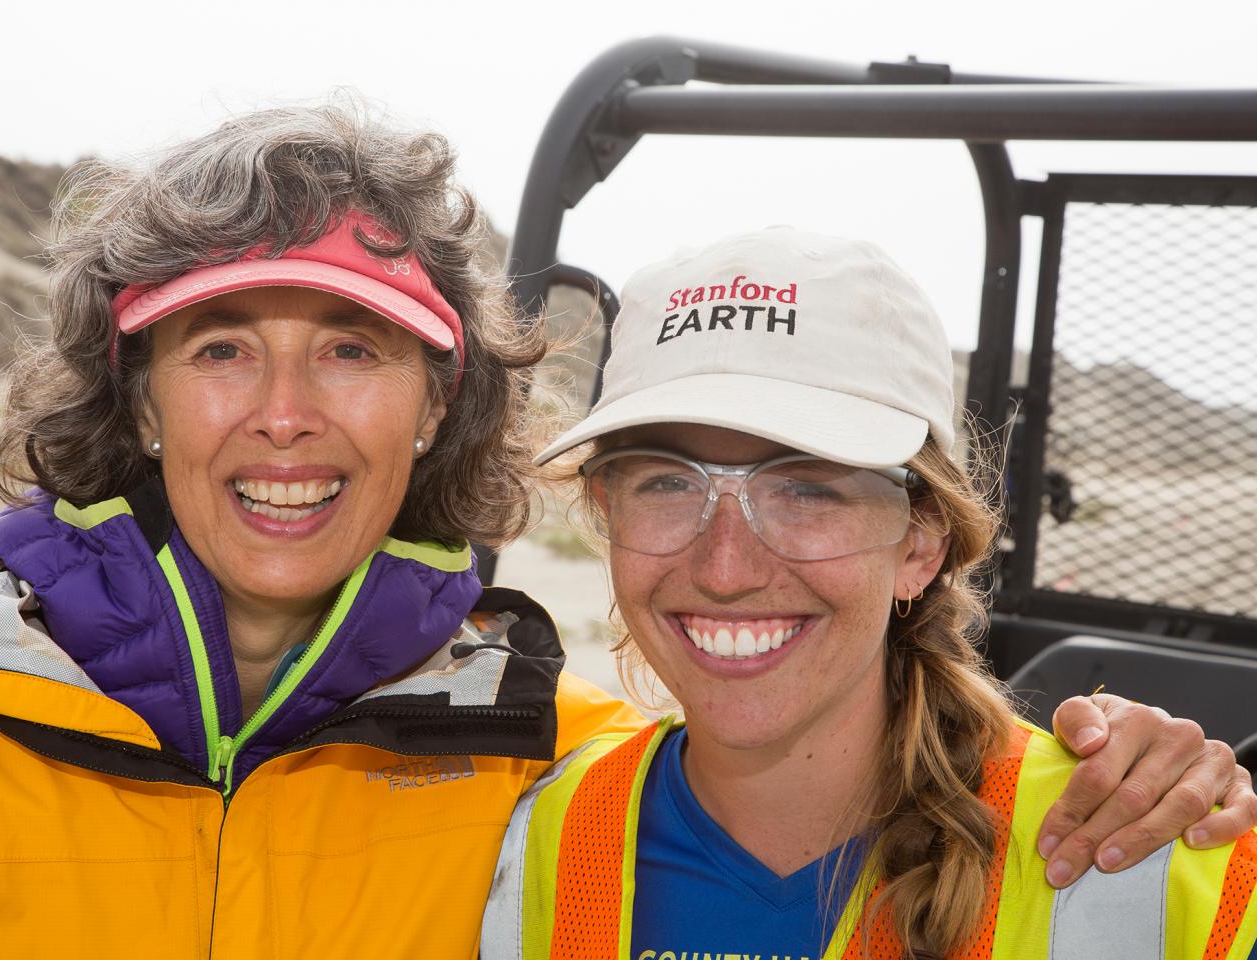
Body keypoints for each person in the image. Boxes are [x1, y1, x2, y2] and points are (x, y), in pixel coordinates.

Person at [0, 107, 1247, 959]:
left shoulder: (538, 768)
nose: (285, 413)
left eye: (354, 352)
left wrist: (1145, 761)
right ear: (137, 402)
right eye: (219, 350)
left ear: (438, 407)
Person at [482, 225, 1257, 960]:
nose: (725, 569)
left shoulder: (1165, 858)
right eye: (669, 484)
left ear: (922, 543)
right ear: (608, 517)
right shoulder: (525, 838)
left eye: (807, 490)